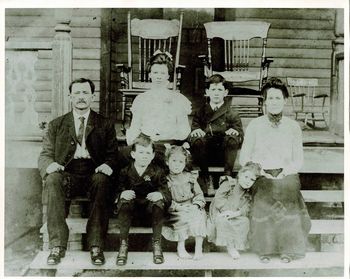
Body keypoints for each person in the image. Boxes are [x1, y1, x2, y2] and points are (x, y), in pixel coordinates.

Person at [38, 78, 119, 265]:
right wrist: (50, 165)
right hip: (68, 174)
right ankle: (57, 246)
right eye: (77, 93)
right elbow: (45, 155)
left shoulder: (104, 124)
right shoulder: (57, 125)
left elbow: (113, 155)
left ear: (92, 96)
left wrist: (108, 164)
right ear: (70, 97)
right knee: (52, 180)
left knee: (102, 180)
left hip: (93, 173)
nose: (81, 97)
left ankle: (96, 246)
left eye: (85, 93)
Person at [239, 77, 311, 263]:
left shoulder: (293, 127)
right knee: (265, 194)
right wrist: (258, 171)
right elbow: (244, 158)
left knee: (287, 191)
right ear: (264, 101)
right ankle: (265, 249)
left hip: (286, 173)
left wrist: (285, 172)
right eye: (270, 98)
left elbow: (298, 159)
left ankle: (288, 249)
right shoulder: (255, 125)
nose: (274, 102)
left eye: (278, 98)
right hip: (261, 173)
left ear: (285, 100)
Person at [114, 134, 171, 265]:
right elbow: (115, 190)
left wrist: (160, 194)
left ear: (152, 156)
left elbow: (167, 193)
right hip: (130, 215)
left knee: (158, 203)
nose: (144, 156)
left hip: (150, 214)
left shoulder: (158, 171)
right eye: (141, 152)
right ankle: (123, 244)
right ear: (133, 154)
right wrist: (121, 194)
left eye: (147, 153)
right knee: (124, 203)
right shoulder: (125, 171)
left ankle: (157, 244)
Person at [190, 74, 243, 193]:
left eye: (220, 89)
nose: (216, 93)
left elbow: (240, 135)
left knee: (233, 138)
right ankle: (205, 177)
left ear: (225, 92)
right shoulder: (200, 112)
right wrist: (196, 131)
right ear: (207, 91)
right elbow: (194, 128)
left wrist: (236, 132)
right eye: (213, 89)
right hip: (205, 154)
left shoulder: (232, 113)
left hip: (224, 155)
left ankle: (226, 177)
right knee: (197, 139)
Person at [126, 50, 191, 146]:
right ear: (150, 75)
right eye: (155, 72)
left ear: (168, 76)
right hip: (147, 144)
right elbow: (135, 127)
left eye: (162, 73)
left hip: (170, 143)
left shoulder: (178, 99)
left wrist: (169, 138)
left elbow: (184, 129)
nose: (159, 77)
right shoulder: (141, 99)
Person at [161, 144, 207, 260]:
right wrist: (178, 207)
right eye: (174, 161)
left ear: (185, 163)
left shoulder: (190, 178)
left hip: (191, 206)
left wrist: (196, 205)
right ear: (167, 162)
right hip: (175, 210)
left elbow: (199, 195)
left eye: (180, 162)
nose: (177, 164)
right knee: (182, 217)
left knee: (199, 215)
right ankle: (181, 247)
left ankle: (198, 248)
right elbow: (165, 199)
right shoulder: (165, 179)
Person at [207, 162, 261, 259]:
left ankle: (238, 244)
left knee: (245, 222)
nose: (248, 181)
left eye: (252, 179)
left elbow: (247, 207)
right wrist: (225, 211)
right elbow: (219, 198)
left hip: (235, 214)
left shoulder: (248, 192)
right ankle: (230, 246)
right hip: (221, 211)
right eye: (246, 177)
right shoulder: (229, 184)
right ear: (240, 175)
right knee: (223, 221)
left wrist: (236, 213)